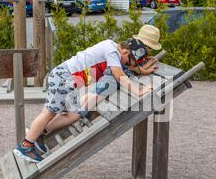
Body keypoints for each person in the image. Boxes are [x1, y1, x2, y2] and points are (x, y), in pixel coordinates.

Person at [13, 25, 162, 164]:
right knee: (49, 113)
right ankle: (26, 146)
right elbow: (119, 74)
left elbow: (124, 67)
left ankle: (39, 132)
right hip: (64, 77)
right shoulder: (111, 50)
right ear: (125, 52)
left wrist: (143, 70)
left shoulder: (116, 50)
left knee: (74, 114)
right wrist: (139, 91)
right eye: (126, 60)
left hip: (71, 81)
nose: (124, 63)